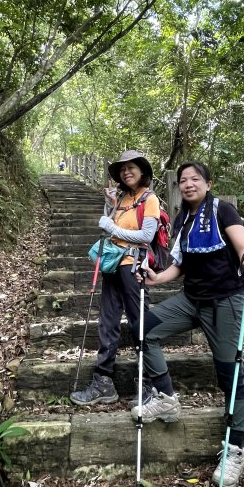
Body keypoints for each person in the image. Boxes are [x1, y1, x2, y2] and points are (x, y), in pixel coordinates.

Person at [130, 161, 244, 487]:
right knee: (143, 329)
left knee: (230, 375)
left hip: (225, 301)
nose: (189, 184)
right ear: (178, 187)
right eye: (183, 180)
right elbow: (181, 265)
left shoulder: (223, 210)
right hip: (191, 299)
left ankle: (234, 450)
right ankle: (165, 398)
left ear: (207, 182)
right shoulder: (182, 219)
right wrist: (156, 278)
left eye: (195, 179)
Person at [70, 150, 160, 406]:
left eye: (131, 167)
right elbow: (110, 230)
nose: (126, 172)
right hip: (113, 265)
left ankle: (150, 383)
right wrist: (111, 206)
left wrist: (113, 227)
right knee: (107, 322)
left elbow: (146, 237)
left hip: (133, 266)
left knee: (139, 322)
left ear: (142, 171)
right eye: (122, 169)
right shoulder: (121, 198)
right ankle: (103, 382)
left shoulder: (149, 199)